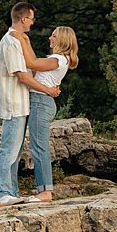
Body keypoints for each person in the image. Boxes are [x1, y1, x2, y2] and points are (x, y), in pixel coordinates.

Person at [0, 2, 60, 206]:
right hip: (14, 102)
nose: (33, 22)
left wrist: (26, 40)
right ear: (23, 19)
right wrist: (47, 89)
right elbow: (22, 75)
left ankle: (10, 191)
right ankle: (3, 192)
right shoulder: (11, 42)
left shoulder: (19, 40)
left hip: (21, 103)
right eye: (31, 19)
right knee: (10, 149)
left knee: (15, 150)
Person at [25, 27, 78, 203]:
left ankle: (46, 191)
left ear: (62, 39)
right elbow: (32, 68)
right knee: (38, 146)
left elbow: (31, 63)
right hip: (40, 101)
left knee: (40, 148)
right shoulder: (59, 60)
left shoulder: (58, 59)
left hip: (41, 102)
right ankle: (43, 188)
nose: (50, 38)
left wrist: (23, 41)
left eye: (53, 35)